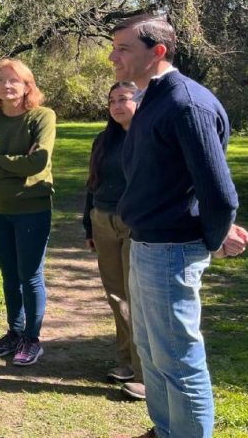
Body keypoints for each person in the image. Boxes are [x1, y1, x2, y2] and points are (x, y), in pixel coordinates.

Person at [109, 14, 248, 438]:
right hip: (147, 244)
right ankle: (166, 428)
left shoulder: (186, 103)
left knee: (178, 358)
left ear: (157, 52)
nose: (113, 56)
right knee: (153, 354)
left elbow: (220, 192)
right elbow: (178, 178)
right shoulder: (152, 96)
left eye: (123, 49)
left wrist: (213, 236)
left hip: (172, 250)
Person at [0, 58, 56, 366]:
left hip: (32, 208)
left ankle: (32, 338)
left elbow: (37, 163)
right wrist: (14, 162)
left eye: (14, 81)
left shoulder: (42, 117)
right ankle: (15, 333)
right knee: (9, 275)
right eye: (2, 80)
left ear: (27, 86)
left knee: (29, 275)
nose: (7, 86)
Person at [82, 81, 145, 400]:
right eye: (112, 101)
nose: (118, 105)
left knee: (139, 298)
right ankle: (126, 363)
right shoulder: (103, 139)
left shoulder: (149, 136)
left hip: (137, 224)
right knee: (116, 296)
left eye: (124, 99)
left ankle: (146, 373)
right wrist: (88, 226)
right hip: (102, 220)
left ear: (139, 100)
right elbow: (92, 183)